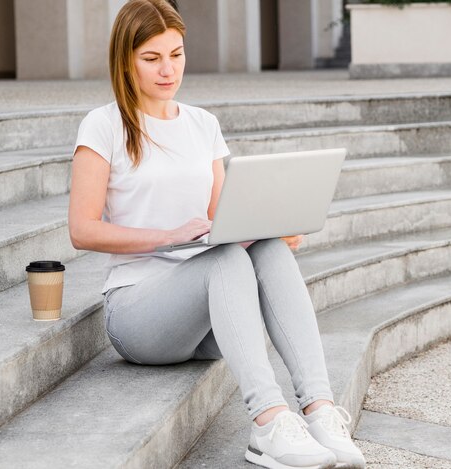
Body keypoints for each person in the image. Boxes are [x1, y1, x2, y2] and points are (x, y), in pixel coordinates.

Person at [67, 1, 366, 468]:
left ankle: (320, 410)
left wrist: (269, 230)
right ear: (125, 59)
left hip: (207, 317)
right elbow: (81, 231)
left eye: (176, 54)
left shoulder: (203, 124)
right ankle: (268, 423)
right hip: (137, 315)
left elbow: (224, 222)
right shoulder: (103, 126)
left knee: (261, 246)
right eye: (152, 58)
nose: (168, 70)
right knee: (224, 262)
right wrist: (166, 236)